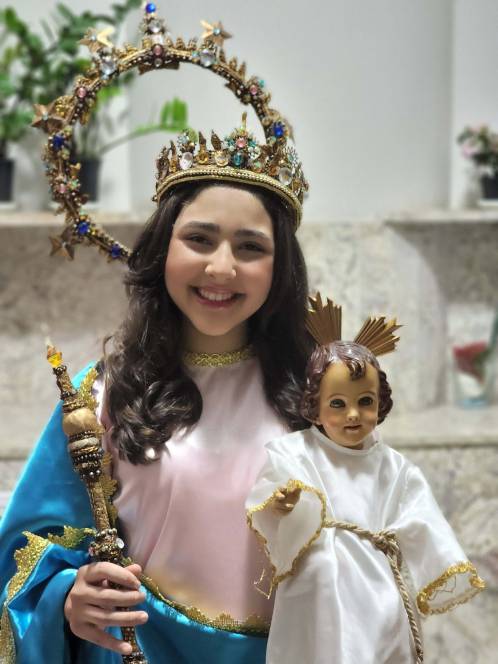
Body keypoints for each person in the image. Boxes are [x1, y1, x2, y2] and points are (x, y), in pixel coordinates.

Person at [0, 121, 313, 662]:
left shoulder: (318, 397)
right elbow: (24, 558)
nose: (221, 267)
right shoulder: (101, 396)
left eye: (250, 247)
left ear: (280, 265)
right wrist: (69, 597)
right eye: (199, 239)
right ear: (163, 247)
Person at [246, 296, 485, 664]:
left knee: (377, 644)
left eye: (366, 401)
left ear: (380, 402)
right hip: (316, 586)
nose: (353, 415)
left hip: (376, 587)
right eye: (338, 404)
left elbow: (423, 517)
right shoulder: (296, 452)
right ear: (315, 405)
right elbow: (270, 493)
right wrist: (281, 502)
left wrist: (442, 565)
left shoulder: (393, 467)